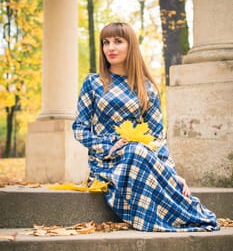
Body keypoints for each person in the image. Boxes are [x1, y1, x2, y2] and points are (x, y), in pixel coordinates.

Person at [72, 22, 219, 232]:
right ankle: (152, 220)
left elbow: (157, 136)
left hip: (139, 156)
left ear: (130, 45)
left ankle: (185, 216)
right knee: (136, 150)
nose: (110, 48)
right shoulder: (94, 82)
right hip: (106, 161)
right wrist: (110, 145)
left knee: (138, 150)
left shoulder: (146, 87)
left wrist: (171, 173)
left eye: (117, 41)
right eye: (106, 42)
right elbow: (79, 128)